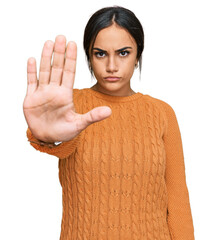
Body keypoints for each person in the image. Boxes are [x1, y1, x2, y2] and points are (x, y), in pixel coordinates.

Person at [23, 6, 195, 240]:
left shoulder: (162, 113)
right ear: (89, 56)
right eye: (100, 53)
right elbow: (58, 142)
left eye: (123, 53)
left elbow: (177, 199)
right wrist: (44, 136)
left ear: (138, 56)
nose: (112, 65)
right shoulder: (69, 106)